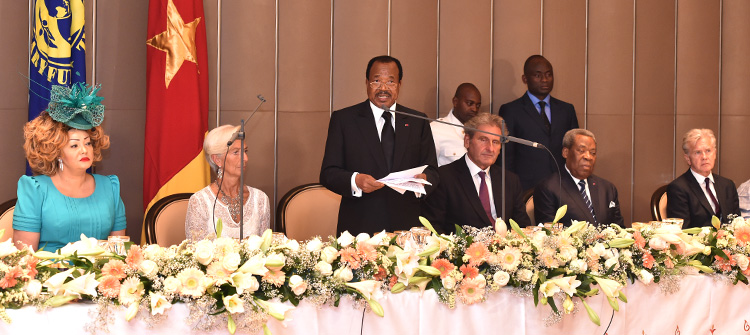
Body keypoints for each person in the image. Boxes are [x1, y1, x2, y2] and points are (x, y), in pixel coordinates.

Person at [320, 55, 439, 235]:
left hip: (406, 227)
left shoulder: (417, 121)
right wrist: (356, 181)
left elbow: (433, 171)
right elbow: (328, 173)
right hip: (360, 226)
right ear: (367, 82)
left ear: (400, 84)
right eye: (377, 81)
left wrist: (423, 179)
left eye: (390, 81)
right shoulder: (344, 120)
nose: (383, 88)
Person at [13, 83, 127, 252]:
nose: (84, 149)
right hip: (49, 276)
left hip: (103, 276)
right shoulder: (34, 190)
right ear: (56, 151)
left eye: (88, 143)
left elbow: (119, 253)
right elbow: (24, 260)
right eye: (74, 145)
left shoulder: (110, 187)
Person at [422, 114, 530, 233]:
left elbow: (522, 227)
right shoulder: (443, 178)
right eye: (483, 140)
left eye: (495, 142)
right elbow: (433, 228)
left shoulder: (509, 180)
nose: (490, 148)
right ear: (467, 141)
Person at [498, 55, 579, 191]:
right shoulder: (511, 110)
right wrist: (510, 189)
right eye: (538, 75)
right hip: (525, 187)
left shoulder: (566, 110)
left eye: (549, 75)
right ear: (525, 79)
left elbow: (574, 149)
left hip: (562, 186)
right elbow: (506, 156)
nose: (545, 80)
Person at [185, 125, 271, 240]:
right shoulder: (200, 202)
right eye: (236, 152)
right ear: (217, 159)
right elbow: (195, 252)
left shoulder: (260, 199)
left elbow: (266, 251)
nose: (245, 158)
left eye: (245, 151)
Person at [534, 129, 623, 226]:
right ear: (566, 152)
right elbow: (549, 233)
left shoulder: (608, 188)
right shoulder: (548, 188)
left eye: (593, 152)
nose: (588, 157)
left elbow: (620, 229)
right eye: (581, 151)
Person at [666, 129, 740, 228]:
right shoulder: (678, 188)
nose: (704, 157)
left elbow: (737, 224)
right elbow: (683, 231)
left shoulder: (727, 185)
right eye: (698, 152)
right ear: (688, 158)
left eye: (708, 151)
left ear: (715, 153)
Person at [431, 83, 482, 166]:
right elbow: (429, 170)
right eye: (469, 103)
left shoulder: (480, 131)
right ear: (455, 102)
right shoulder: (436, 130)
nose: (474, 109)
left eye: (478, 105)